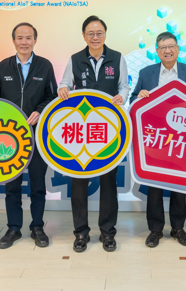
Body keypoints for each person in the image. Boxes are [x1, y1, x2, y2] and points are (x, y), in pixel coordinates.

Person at [130, 32, 186, 248]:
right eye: (163, 47)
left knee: (179, 185)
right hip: (155, 139)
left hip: (182, 139)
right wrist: (139, 97)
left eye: (171, 46)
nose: (167, 50)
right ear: (157, 51)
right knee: (154, 185)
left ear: (178, 49)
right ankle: (155, 230)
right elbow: (133, 99)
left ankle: (178, 228)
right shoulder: (146, 72)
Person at [58, 15, 129, 253]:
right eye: (91, 33)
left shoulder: (117, 58)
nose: (95, 37)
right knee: (79, 182)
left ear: (105, 35)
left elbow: (124, 86)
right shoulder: (75, 59)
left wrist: (122, 97)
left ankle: (108, 232)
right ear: (84, 36)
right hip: (82, 130)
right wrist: (63, 89)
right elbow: (64, 84)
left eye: (99, 33)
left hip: (108, 129)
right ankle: (81, 232)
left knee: (108, 182)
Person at [0, 22, 57, 249]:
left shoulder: (44, 65)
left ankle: (37, 227)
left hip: (37, 135)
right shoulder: (3, 67)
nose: (24, 42)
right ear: (13, 40)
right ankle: (13, 228)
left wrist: (41, 110)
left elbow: (52, 96)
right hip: (9, 137)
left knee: (37, 184)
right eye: (20, 38)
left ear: (35, 40)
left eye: (28, 38)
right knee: (12, 186)